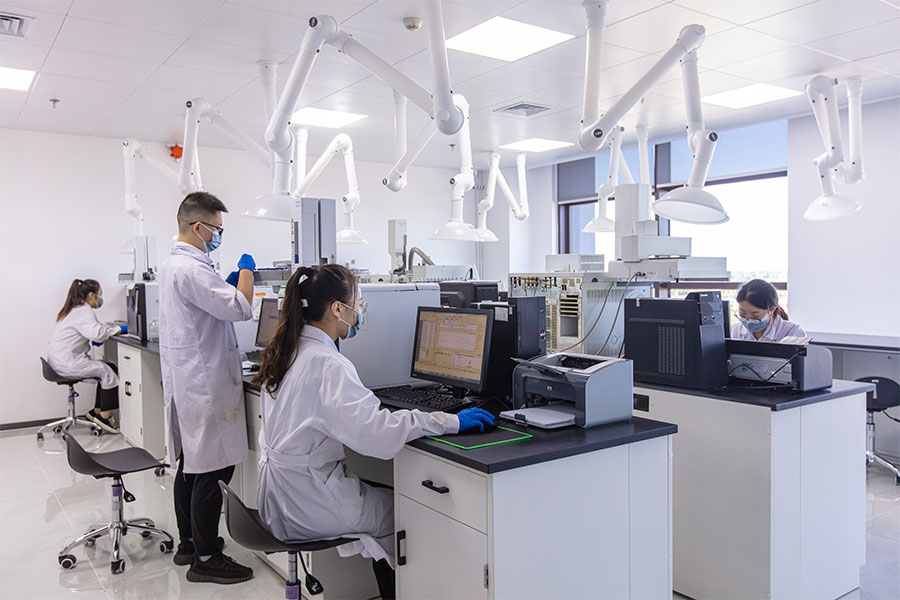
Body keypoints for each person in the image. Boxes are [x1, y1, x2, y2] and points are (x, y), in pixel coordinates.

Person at [252, 264, 495, 600]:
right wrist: (448, 421)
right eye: (358, 303)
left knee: (384, 497)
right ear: (337, 309)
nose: (361, 311)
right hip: (306, 504)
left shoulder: (288, 351)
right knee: (407, 512)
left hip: (281, 498)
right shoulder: (327, 364)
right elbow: (377, 436)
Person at [158, 191, 257, 585]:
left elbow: (211, 307)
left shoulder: (176, 264)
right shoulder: (192, 269)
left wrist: (224, 287)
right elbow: (241, 308)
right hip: (205, 383)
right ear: (198, 227)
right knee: (214, 469)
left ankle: (189, 543)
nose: (219, 235)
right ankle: (206, 558)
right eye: (217, 229)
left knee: (192, 465)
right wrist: (246, 273)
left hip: (190, 380)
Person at [47, 278, 126, 433]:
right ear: (91, 295)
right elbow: (96, 333)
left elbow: (91, 331)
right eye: (100, 295)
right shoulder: (83, 311)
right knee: (108, 372)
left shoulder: (73, 310)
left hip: (58, 361)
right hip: (67, 363)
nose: (100, 299)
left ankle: (96, 411)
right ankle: (104, 416)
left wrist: (101, 333)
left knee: (107, 368)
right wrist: (118, 329)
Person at [732, 279, 806, 342]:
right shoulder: (735, 331)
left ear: (772, 309)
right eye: (743, 313)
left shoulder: (792, 332)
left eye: (755, 315)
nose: (748, 320)